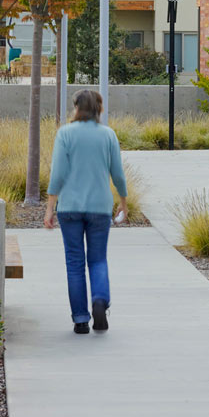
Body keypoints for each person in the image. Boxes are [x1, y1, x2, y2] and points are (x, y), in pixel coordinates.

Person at [42, 89, 127, 335]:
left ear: (77, 107)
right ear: (99, 108)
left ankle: (80, 319)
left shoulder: (65, 134)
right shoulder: (108, 135)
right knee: (98, 259)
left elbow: (57, 174)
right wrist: (123, 202)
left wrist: (49, 208)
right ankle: (100, 300)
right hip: (100, 208)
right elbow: (118, 174)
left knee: (75, 263)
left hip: (69, 208)